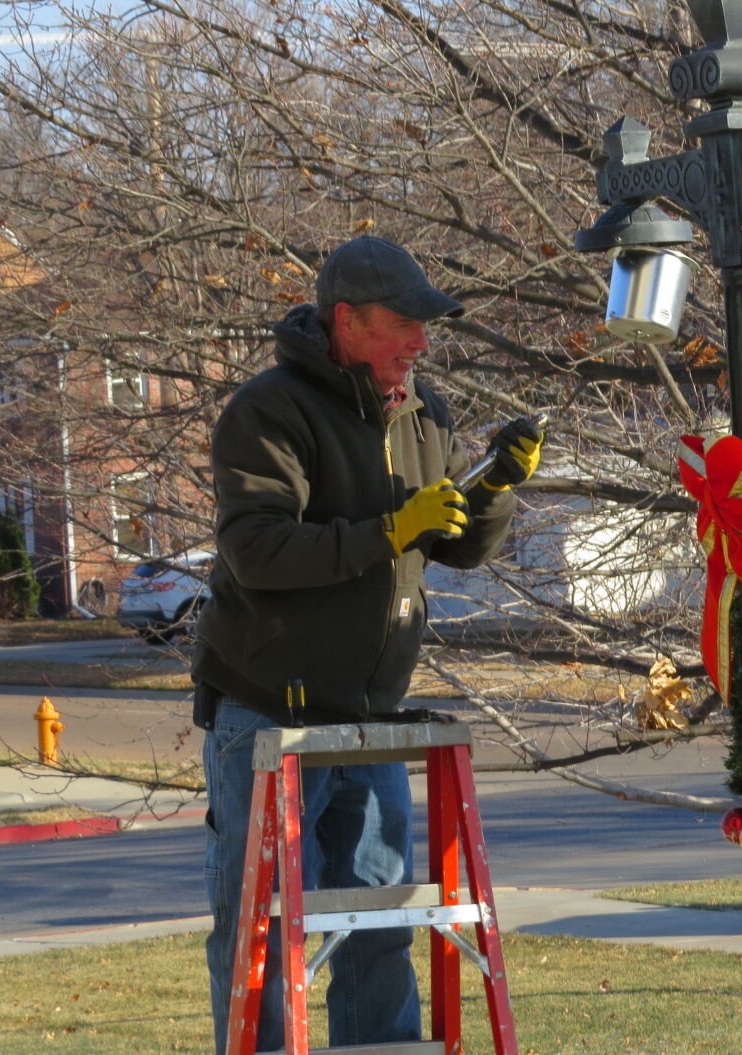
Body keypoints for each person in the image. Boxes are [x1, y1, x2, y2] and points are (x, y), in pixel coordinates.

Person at [191, 234, 544, 1053]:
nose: (421, 342)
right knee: (260, 935)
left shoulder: (425, 413)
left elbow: (456, 541)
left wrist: (492, 486)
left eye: (426, 325)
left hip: (371, 717)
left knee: (381, 924)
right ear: (346, 321)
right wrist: (390, 531)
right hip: (265, 717)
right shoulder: (267, 411)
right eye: (405, 323)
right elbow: (260, 552)